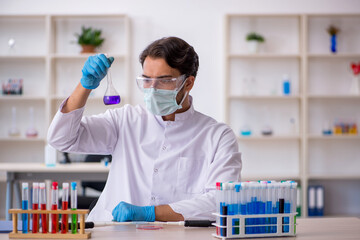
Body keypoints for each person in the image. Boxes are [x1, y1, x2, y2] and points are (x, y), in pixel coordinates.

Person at [47, 36, 242, 222]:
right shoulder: (126, 120)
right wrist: (85, 86)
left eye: (164, 80)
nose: (152, 89)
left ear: (188, 83)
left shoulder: (217, 136)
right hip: (112, 231)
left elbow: (222, 200)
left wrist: (152, 213)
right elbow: (61, 139)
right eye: (147, 80)